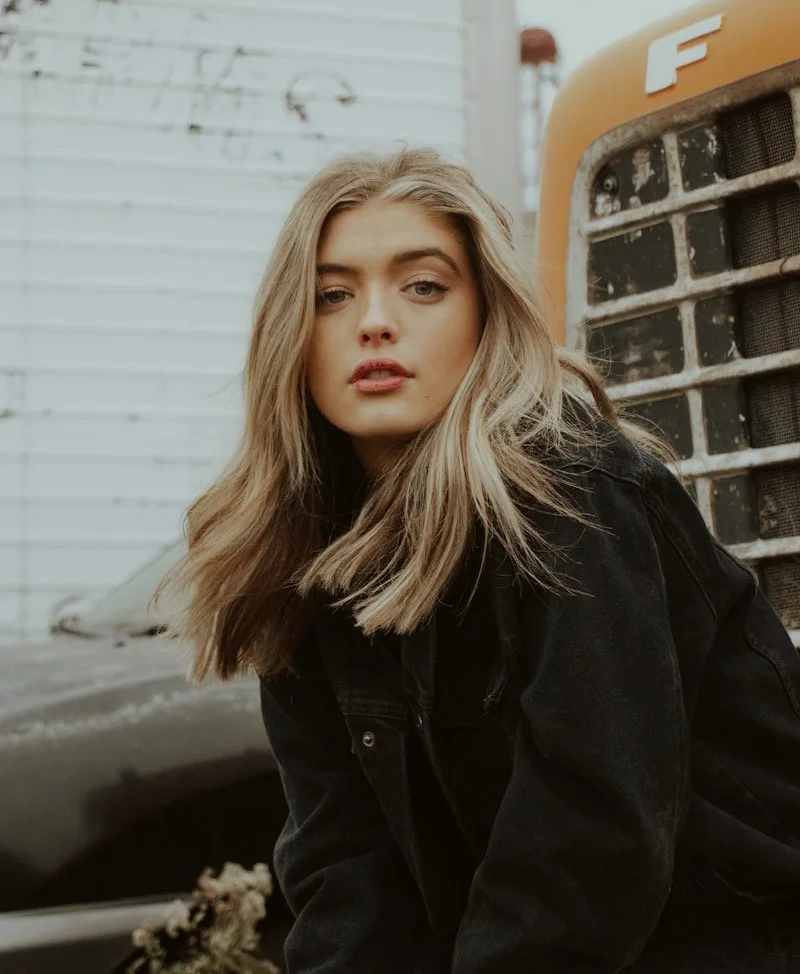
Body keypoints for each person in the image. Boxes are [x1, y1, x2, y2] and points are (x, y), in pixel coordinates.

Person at [163, 147, 800, 973]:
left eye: (424, 286)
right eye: (332, 295)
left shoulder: (576, 496)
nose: (374, 322)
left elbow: (587, 849)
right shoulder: (305, 554)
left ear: (487, 316)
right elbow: (344, 863)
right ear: (292, 331)